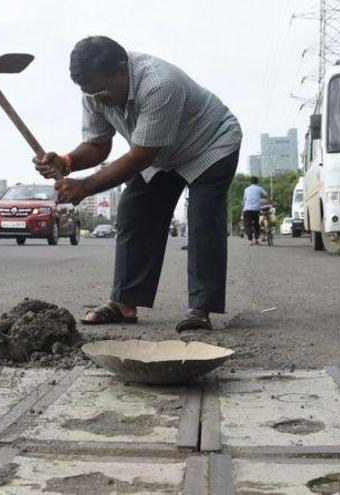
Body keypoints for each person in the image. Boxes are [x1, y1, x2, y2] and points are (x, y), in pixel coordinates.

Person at [34, 36, 242, 332]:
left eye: (101, 92)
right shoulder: (95, 92)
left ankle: (201, 307)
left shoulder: (159, 84)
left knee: (203, 219)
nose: (97, 100)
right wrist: (66, 162)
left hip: (210, 144)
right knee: (134, 212)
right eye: (89, 93)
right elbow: (98, 145)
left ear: (122, 70)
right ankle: (125, 303)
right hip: (163, 152)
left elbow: (141, 156)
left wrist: (84, 187)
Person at [242, 176, 267, 246]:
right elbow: (266, 196)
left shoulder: (246, 189)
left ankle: (250, 241)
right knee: (256, 224)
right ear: (257, 182)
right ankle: (256, 240)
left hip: (247, 209)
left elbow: (244, 201)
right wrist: (272, 202)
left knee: (247, 224)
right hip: (256, 210)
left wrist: (242, 209)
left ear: (250, 182)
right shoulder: (259, 189)